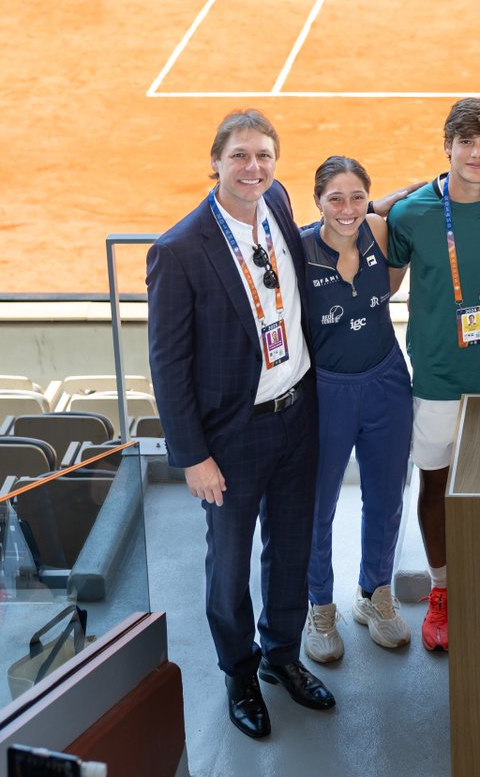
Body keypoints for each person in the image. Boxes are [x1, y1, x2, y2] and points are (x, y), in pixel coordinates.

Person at [146, 109, 335, 740]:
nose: (253, 168)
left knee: (291, 547)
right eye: (240, 157)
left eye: (263, 156)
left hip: (296, 415)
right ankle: (239, 673)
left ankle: (282, 657)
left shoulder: (277, 203)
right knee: (228, 565)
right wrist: (193, 456)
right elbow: (168, 365)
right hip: (230, 436)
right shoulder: (179, 250)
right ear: (216, 163)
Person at [386, 98, 480, 652]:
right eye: (466, 142)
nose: (477, 153)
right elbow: (387, 277)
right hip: (438, 378)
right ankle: (442, 589)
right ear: (447, 147)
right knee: (436, 485)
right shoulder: (413, 213)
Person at [299, 156, 414, 663]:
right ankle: (319, 606)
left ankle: (375, 595)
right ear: (317, 201)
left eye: (357, 198)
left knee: (386, 498)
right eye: (335, 199)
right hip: (326, 392)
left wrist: (393, 198)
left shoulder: (379, 230)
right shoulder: (297, 251)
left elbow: (406, 198)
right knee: (317, 506)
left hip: (387, 379)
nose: (347, 209)